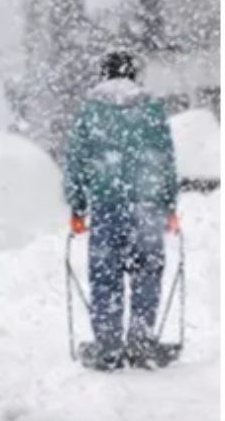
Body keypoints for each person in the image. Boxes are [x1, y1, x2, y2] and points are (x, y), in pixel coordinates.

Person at [64, 51, 180, 371]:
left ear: (104, 75)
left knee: (105, 277)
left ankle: (108, 347)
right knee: (147, 273)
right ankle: (141, 343)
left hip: (106, 205)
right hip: (147, 205)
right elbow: (164, 159)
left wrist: (77, 205)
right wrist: (169, 205)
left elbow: (76, 160)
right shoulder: (151, 109)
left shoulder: (90, 112)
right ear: (133, 75)